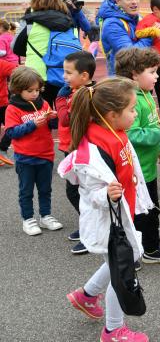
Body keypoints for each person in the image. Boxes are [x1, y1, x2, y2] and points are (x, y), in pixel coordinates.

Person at [60, 78, 151, 342]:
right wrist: (105, 194)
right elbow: (88, 191)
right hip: (108, 220)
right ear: (112, 115)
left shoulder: (114, 131)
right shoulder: (93, 149)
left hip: (120, 214)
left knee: (118, 262)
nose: (136, 113)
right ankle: (113, 330)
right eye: (132, 109)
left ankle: (86, 296)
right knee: (121, 273)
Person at [115, 47, 160, 266]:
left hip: (146, 167)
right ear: (134, 74)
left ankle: (148, 248)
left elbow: (150, 124)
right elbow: (132, 135)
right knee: (137, 213)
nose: (156, 76)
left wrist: (159, 149)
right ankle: (139, 251)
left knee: (150, 209)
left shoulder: (145, 95)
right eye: (152, 72)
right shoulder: (130, 100)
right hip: (134, 171)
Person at [5, 67, 61, 236]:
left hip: (46, 154)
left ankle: (45, 216)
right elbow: (11, 132)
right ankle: (28, 219)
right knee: (26, 190)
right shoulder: (12, 109)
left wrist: (53, 118)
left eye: (37, 90)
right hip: (25, 157)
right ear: (18, 89)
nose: (35, 93)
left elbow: (52, 127)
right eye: (30, 91)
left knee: (45, 189)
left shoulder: (43, 103)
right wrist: (32, 124)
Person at [56, 51, 96, 254]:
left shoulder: (83, 94)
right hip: (72, 146)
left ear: (84, 76)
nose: (64, 76)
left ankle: (92, 230)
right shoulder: (79, 90)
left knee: (80, 191)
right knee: (79, 191)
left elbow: (65, 119)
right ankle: (87, 225)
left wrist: (60, 99)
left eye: (68, 72)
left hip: (79, 148)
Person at [12, 0, 81, 107]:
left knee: (40, 113)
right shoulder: (70, 23)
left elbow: (16, 48)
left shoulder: (31, 22)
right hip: (63, 73)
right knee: (64, 111)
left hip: (36, 76)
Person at [97, 0, 153, 76]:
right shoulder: (112, 24)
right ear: (117, 1)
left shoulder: (138, 18)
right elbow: (130, 54)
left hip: (140, 77)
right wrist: (150, 34)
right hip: (122, 83)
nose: (134, 2)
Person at [0, 59, 17, 165]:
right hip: (2, 102)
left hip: (2, 103)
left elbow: (20, 72)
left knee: (12, 127)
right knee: (13, 128)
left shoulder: (1, 64)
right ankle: (2, 149)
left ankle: (2, 149)